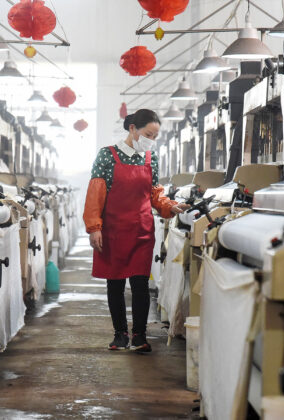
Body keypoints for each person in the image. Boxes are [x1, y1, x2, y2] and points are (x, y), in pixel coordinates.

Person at [83, 109, 189, 352]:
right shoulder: (107, 156)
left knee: (140, 283)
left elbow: (155, 195)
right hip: (113, 230)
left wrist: (172, 207)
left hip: (141, 230)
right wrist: (94, 227)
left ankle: (139, 335)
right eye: (148, 134)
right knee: (116, 283)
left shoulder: (150, 158)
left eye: (155, 136)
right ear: (133, 129)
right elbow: (95, 194)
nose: (151, 140)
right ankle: (120, 334)